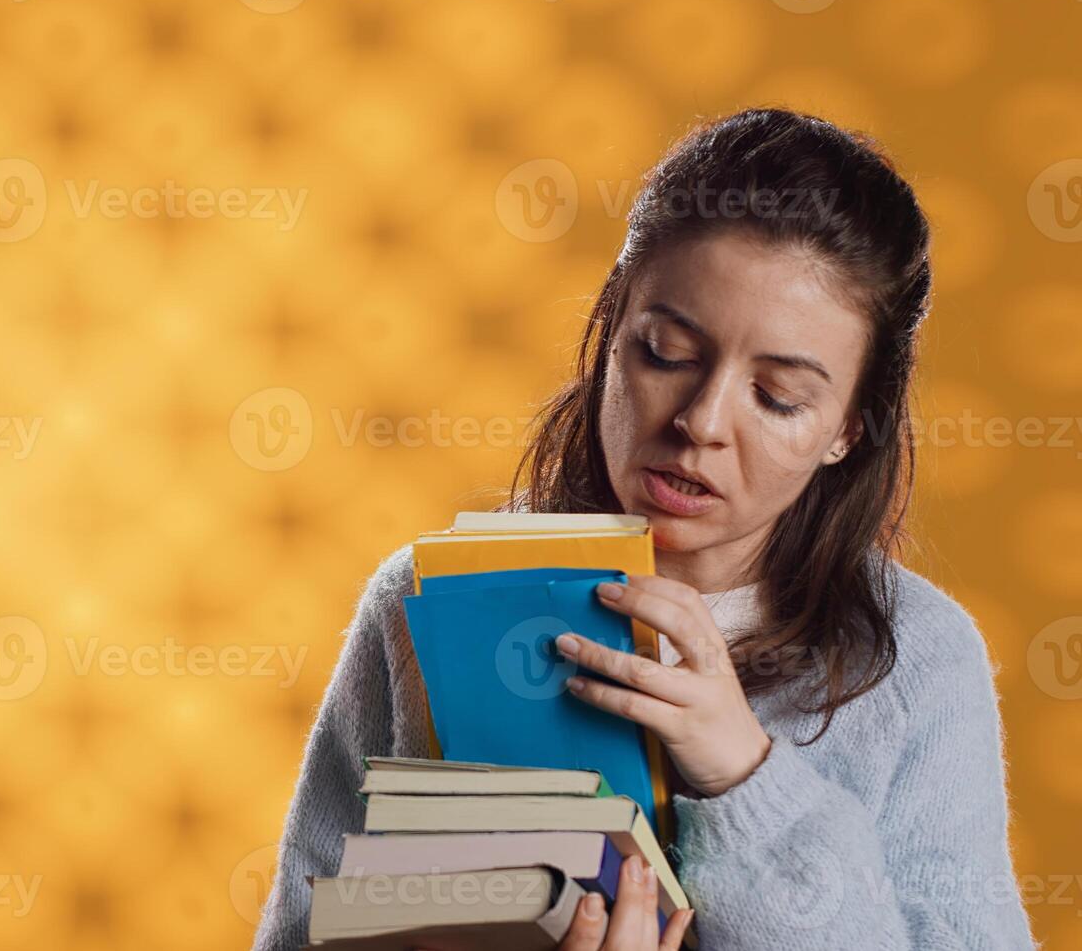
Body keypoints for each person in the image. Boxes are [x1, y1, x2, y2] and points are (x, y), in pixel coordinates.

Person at [251, 108, 1037, 951]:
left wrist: (744, 775)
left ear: (848, 426)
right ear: (609, 333)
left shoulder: (912, 661)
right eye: (664, 352)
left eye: (776, 398)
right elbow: (306, 926)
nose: (701, 421)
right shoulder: (428, 598)